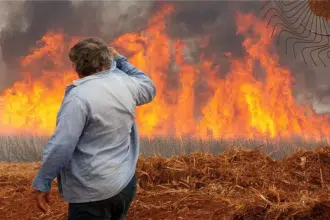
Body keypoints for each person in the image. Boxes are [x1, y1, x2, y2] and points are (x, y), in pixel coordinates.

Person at [31, 37, 156, 220]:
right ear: (107, 60)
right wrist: (120, 60)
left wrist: (43, 181)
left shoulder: (78, 98)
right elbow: (148, 87)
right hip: (123, 184)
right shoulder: (125, 83)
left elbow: (62, 146)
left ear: (77, 66)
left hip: (92, 192)